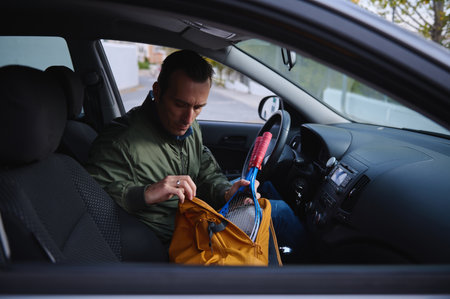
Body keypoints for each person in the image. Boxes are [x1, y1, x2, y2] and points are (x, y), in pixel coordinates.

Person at [86, 50, 307, 260]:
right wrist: (145, 193)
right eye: (180, 104)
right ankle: (316, 277)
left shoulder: (189, 128)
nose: (188, 118)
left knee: (267, 189)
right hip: (182, 236)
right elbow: (87, 193)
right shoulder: (119, 140)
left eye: (198, 107)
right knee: (281, 213)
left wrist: (226, 192)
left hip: (197, 212)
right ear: (157, 91)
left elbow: (204, 169)